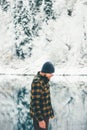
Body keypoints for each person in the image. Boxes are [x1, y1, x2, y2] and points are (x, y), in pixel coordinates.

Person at [30, 61, 55, 130]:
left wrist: (50, 113)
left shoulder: (44, 80)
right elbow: (35, 103)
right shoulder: (37, 82)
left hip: (45, 115)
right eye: (50, 73)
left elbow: (46, 99)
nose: (52, 75)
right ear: (45, 72)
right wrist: (40, 120)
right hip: (40, 117)